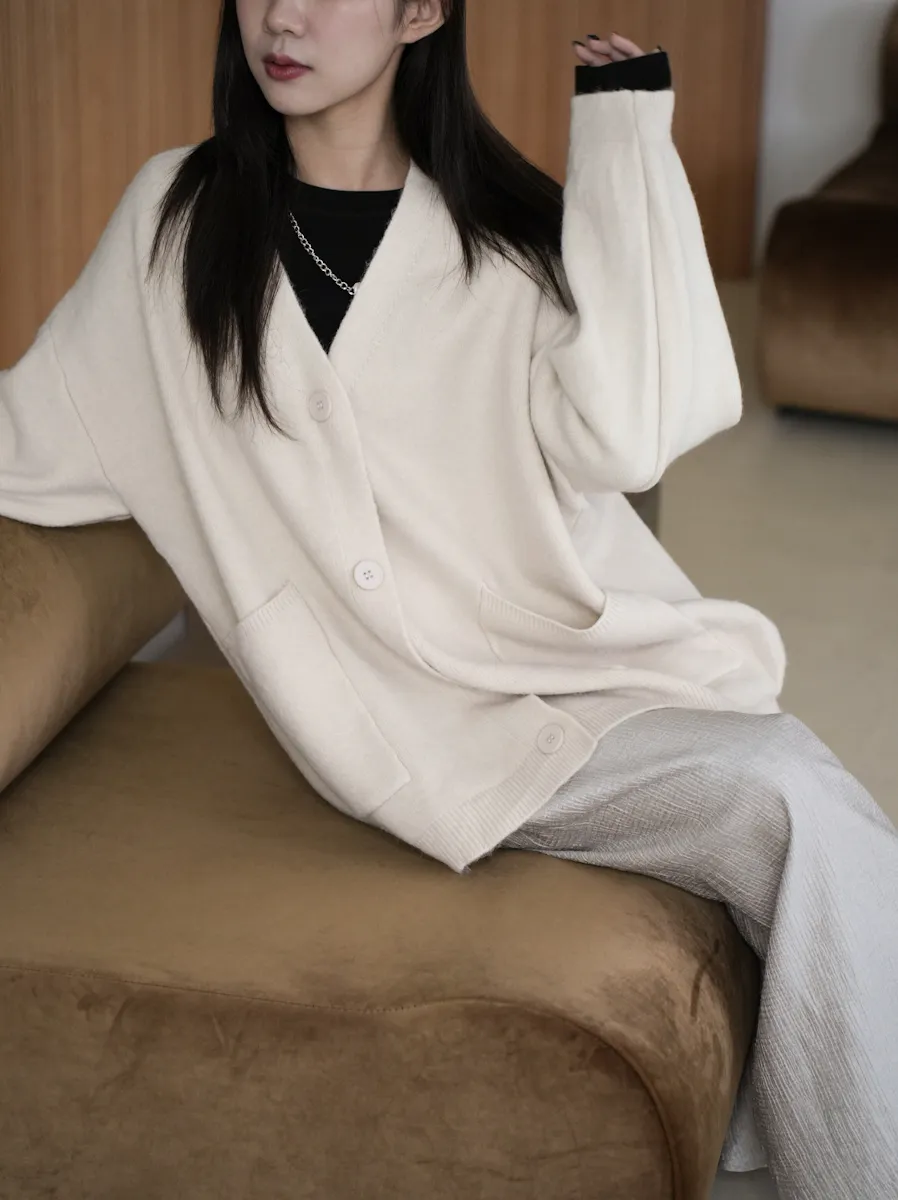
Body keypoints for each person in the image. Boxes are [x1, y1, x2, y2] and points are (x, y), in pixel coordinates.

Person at [0, 2, 895, 1196]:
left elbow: (637, 431)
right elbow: (36, 435)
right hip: (403, 729)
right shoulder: (175, 220)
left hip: (567, 677)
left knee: (810, 809)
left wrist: (627, 139)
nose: (282, 16)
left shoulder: (502, 236)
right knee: (792, 803)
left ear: (420, 11)